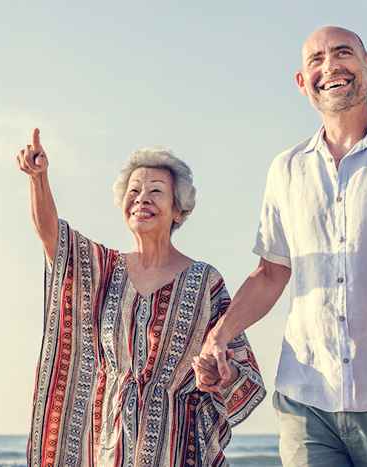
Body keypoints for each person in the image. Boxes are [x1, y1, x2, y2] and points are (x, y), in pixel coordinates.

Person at [194, 26, 367, 466]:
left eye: (343, 53)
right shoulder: (285, 169)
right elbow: (271, 272)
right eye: (316, 60)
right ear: (301, 82)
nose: (330, 67)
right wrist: (218, 338)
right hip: (306, 396)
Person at [16, 129, 266, 467]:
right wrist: (38, 179)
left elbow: (239, 369)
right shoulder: (104, 269)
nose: (142, 198)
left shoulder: (204, 280)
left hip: (178, 447)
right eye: (134, 191)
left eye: (156, 192)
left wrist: (215, 374)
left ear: (179, 211)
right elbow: (53, 238)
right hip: (109, 444)